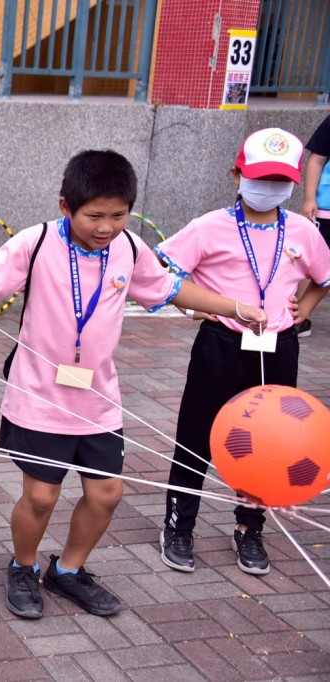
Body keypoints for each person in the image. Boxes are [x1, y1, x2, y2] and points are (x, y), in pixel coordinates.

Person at [0, 150, 267, 620]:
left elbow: (167, 288)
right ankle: (22, 567)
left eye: (118, 216)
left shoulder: (130, 248)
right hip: (38, 396)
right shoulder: (37, 242)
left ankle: (67, 571)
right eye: (94, 216)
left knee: (106, 494)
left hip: (99, 400)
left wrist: (235, 307)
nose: (105, 227)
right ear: (66, 206)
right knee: (41, 495)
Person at [157, 128, 330, 576]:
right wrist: (198, 311)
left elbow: (323, 277)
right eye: (259, 178)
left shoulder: (301, 230)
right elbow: (163, 272)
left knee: (270, 441)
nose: (269, 189)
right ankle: (179, 526)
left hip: (278, 346)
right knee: (197, 435)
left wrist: (301, 310)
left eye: (280, 181)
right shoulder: (209, 226)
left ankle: (250, 528)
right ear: (237, 174)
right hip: (221, 345)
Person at [299, 113, 330, 335]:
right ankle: (298, 316)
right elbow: (317, 159)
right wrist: (310, 198)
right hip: (326, 208)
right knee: (310, 263)